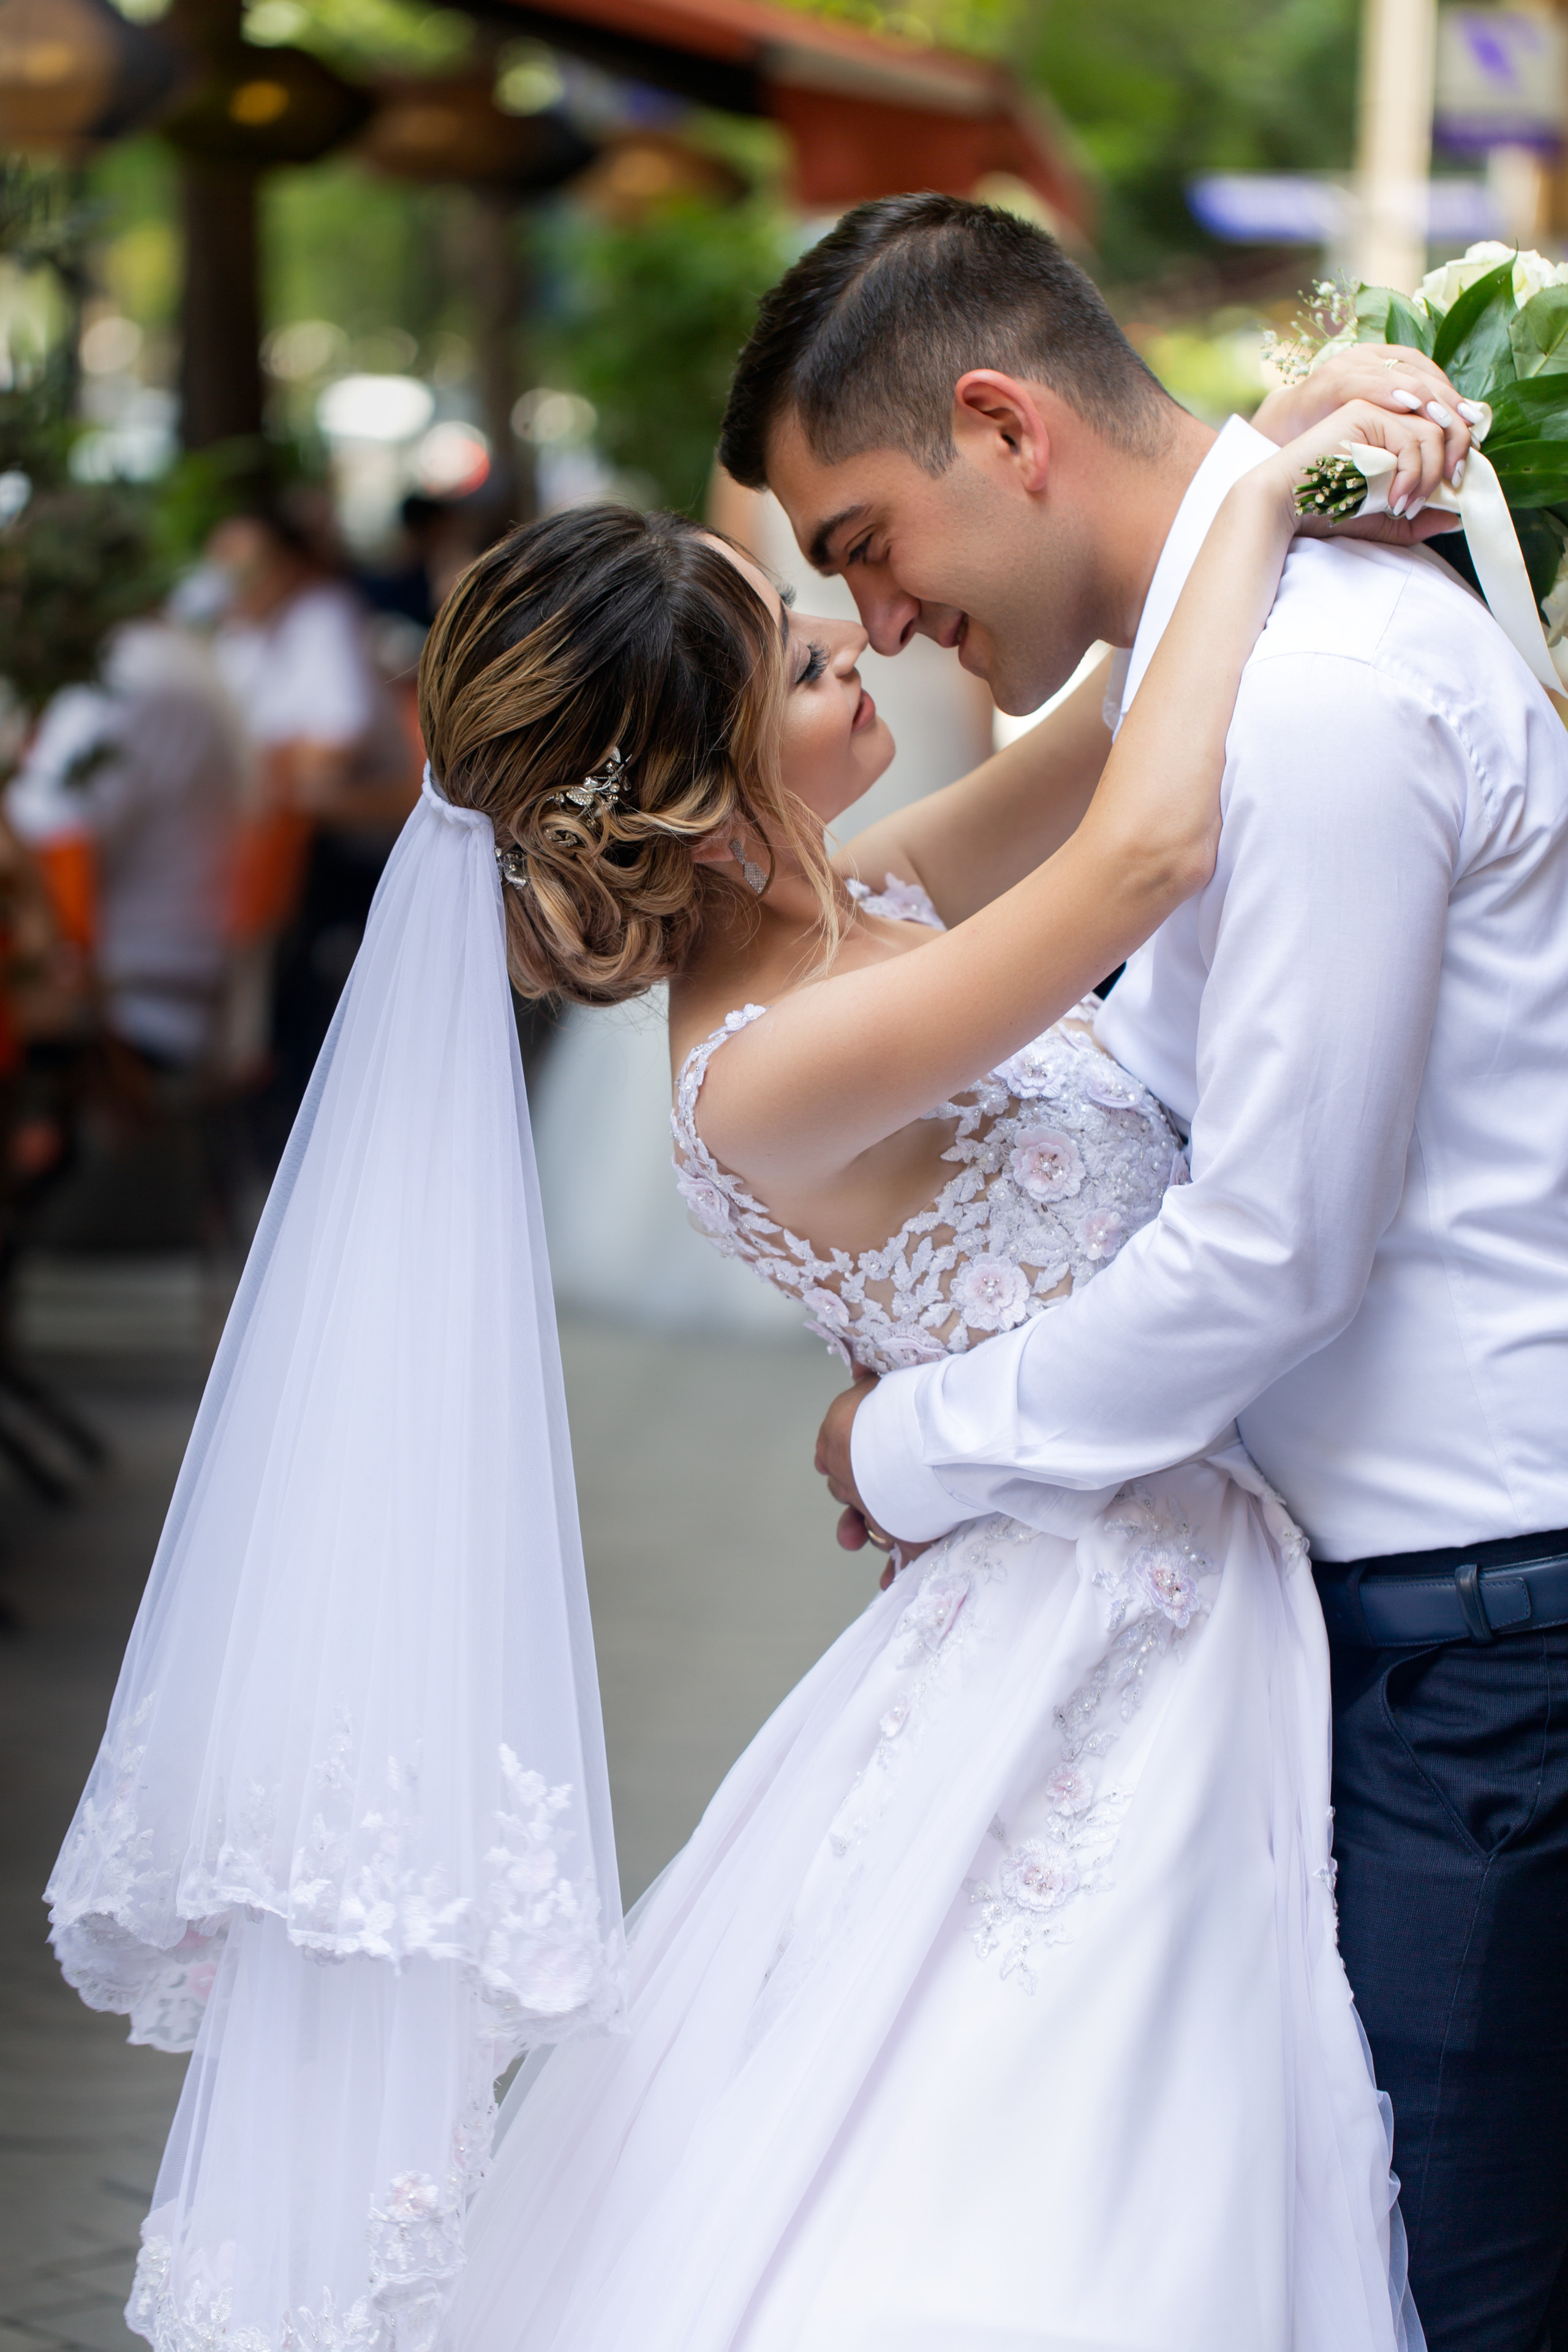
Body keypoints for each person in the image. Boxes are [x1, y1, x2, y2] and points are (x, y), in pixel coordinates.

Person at [47, 368, 1453, 2352]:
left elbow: (1130, 727)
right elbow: (1136, 859)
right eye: (799, 660)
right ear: (699, 801)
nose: (861, 643)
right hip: (1091, 1628)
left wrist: (1267, 427)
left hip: (1146, 1585)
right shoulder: (766, 1072)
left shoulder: (861, 899)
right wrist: (1256, 480)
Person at [718, 197, 1568, 2352]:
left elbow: (1270, 1254)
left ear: (999, 423)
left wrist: (909, 1445)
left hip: (1467, 1619)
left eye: (865, 541)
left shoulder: (1319, 699)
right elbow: (1077, 847)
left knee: (1463, 2286)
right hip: (1364, 1615)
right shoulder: (1231, 671)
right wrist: (1276, 459)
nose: (881, 625)